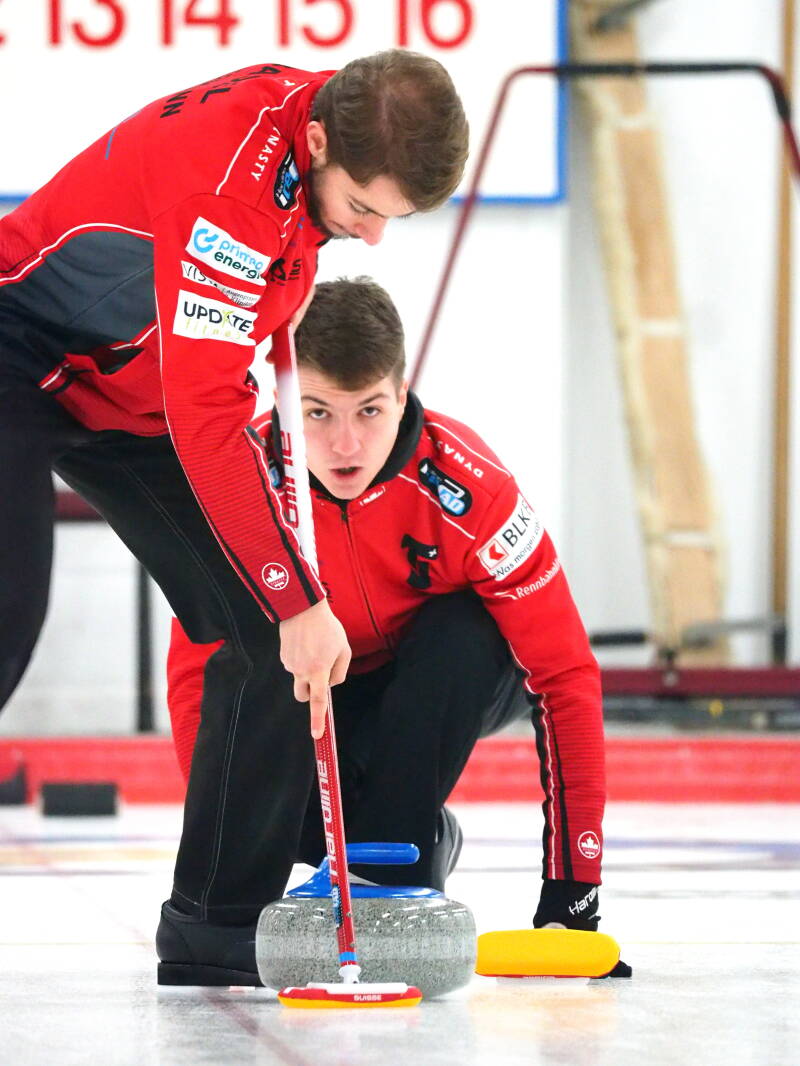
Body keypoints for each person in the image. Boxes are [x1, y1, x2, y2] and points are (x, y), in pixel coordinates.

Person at [0, 54, 468, 985]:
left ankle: (216, 924)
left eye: (393, 219)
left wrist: (281, 600)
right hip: (19, 348)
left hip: (128, 396)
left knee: (262, 633)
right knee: (11, 608)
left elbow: (210, 376)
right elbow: (207, 417)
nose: (373, 238)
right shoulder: (233, 185)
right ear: (322, 142)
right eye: (365, 209)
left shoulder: (338, 115)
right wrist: (300, 594)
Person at [167, 277, 608, 984]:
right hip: (313, 696)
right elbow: (202, 675)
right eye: (316, 413)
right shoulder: (245, 487)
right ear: (282, 404)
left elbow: (564, 676)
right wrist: (220, 870)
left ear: (402, 395)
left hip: (438, 682)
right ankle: (411, 840)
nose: (346, 444)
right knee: (254, 654)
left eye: (369, 410)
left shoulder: (474, 491)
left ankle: (391, 846)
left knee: (466, 625)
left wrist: (572, 895)